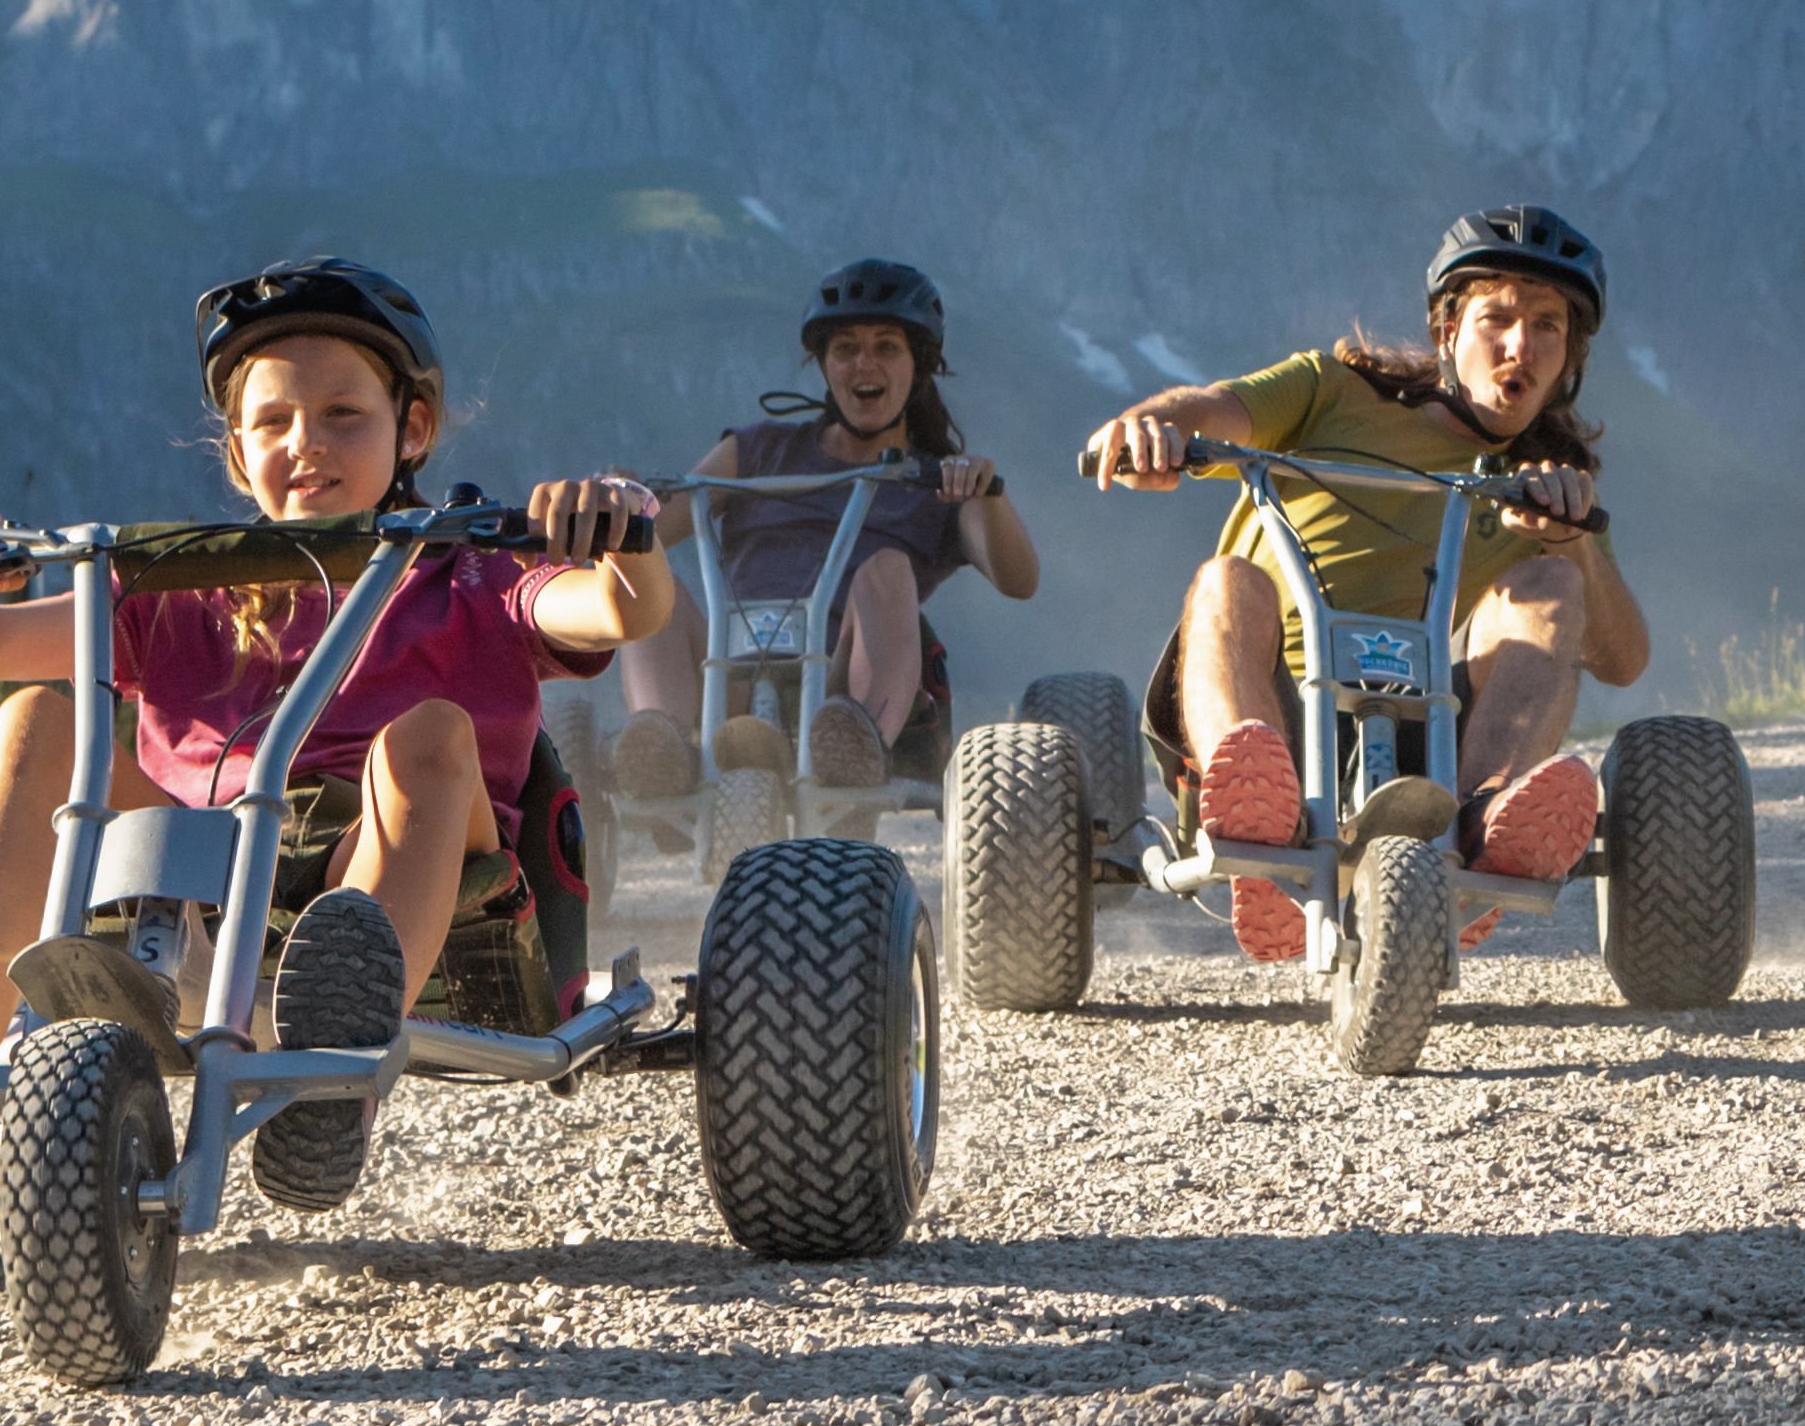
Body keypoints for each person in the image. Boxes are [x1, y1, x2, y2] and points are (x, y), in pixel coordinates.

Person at [0, 258, 670, 1202]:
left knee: (429, 735)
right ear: (239, 454)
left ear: (411, 429)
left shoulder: (473, 576)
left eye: (344, 415)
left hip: (377, 871)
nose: (307, 443)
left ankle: (332, 1065)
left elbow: (621, 613)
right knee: (37, 716)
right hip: (189, 881)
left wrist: (623, 538)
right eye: (275, 422)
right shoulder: (183, 586)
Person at [1081, 206, 1649, 961]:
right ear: (1447, 331)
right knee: (1228, 580)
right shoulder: (1331, 389)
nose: (1521, 346)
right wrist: (1147, 428)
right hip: (1269, 701)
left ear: (1570, 354)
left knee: (1549, 583)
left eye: (1548, 326)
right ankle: (1259, 818)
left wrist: (1571, 541)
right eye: (1497, 319)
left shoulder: (1537, 487)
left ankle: (1481, 828)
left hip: (1433, 742)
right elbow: (1213, 409)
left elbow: (1624, 659)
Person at [610, 256, 1040, 801]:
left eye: (886, 347)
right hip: (729, 676)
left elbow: (1019, 579)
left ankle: (857, 742)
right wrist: (621, 505)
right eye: (845, 349)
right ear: (824, 366)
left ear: (919, 365)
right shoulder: (757, 449)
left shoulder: (936, 477)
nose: (865, 364)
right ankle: (665, 745)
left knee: (886, 567)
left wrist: (984, 490)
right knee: (651, 581)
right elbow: (654, 527)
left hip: (843, 683)